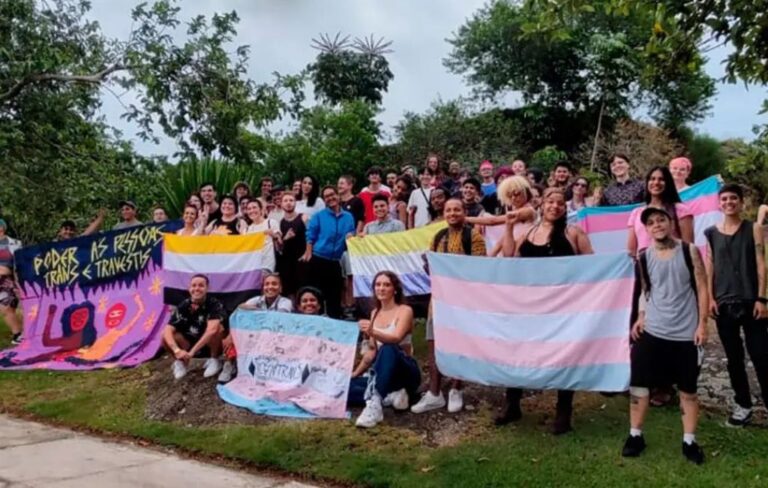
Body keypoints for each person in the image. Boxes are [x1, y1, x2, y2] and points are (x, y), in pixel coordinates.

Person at [497, 187, 593, 434]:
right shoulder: (528, 231)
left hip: (563, 308)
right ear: (542, 205)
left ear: (565, 207)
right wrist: (508, 227)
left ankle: (563, 412)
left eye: (560, 203)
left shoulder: (574, 233)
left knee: (564, 356)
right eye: (550, 202)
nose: (555, 206)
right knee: (518, 351)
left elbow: (594, 266)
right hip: (528, 306)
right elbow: (509, 256)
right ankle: (512, 404)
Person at [622, 206, 708, 464]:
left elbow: (703, 288)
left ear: (670, 223)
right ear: (646, 229)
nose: (657, 225)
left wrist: (702, 325)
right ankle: (635, 435)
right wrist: (640, 316)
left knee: (688, 391)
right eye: (651, 222)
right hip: (653, 331)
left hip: (685, 333)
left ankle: (689, 441)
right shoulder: (645, 256)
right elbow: (645, 291)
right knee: (639, 385)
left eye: (661, 220)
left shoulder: (688, 250)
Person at [411, 198, 486, 415]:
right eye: (448, 210)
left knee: (460, 345)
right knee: (435, 344)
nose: (452, 213)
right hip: (439, 302)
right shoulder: (438, 237)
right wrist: (428, 265)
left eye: (457, 209)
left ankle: (456, 389)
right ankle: (434, 393)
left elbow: (481, 269)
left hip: (464, 302)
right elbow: (433, 273)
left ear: (464, 212)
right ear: (443, 213)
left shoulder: (473, 237)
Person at [704, 184, 768, 427]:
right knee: (734, 358)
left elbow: (761, 263)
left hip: (752, 302)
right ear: (719, 204)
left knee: (762, 356)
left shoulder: (753, 229)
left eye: (733, 198)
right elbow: (710, 267)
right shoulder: (710, 233)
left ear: (741, 202)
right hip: (724, 304)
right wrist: (710, 298)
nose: (729, 202)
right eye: (724, 199)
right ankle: (743, 405)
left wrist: (762, 298)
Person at [350, 271, 421, 428]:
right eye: (378, 284)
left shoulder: (405, 310)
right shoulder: (374, 313)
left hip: (405, 370)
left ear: (395, 289)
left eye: (386, 285)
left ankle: (375, 403)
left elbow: (395, 338)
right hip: (383, 374)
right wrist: (355, 373)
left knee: (389, 347)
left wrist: (372, 331)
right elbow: (371, 352)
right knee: (346, 387)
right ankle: (389, 396)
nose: (381, 288)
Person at [219, 273, 295, 383]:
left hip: (277, 337)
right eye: (267, 284)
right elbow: (239, 311)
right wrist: (231, 335)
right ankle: (229, 364)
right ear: (263, 288)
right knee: (237, 333)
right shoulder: (257, 300)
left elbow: (277, 318)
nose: (270, 287)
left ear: (280, 288)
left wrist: (255, 311)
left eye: (274, 284)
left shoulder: (285, 302)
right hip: (257, 336)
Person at [301, 186, 356, 319]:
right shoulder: (319, 216)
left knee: (334, 296)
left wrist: (351, 236)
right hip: (318, 260)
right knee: (316, 295)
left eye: (332, 195)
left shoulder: (348, 217)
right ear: (324, 200)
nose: (330, 198)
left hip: (335, 261)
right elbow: (310, 235)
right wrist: (308, 252)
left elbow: (351, 233)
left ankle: (334, 324)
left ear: (338, 196)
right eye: (326, 197)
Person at [162, 274, 226, 380]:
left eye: (201, 285)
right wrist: (177, 350)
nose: (197, 288)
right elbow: (168, 329)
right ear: (189, 288)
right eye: (194, 285)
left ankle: (214, 360)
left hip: (210, 346)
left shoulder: (214, 304)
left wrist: (192, 352)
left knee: (217, 329)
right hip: (189, 344)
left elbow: (212, 331)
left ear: (207, 288)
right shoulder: (184, 305)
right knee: (165, 335)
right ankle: (181, 362)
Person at [627, 167, 693, 257]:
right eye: (652, 179)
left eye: (661, 179)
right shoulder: (636, 213)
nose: (656, 183)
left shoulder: (680, 210)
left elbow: (688, 246)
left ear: (668, 183)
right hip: (646, 267)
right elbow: (631, 250)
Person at [339, 175, 366, 317]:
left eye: (342, 183)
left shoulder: (356, 201)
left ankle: (352, 304)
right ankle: (342, 305)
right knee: (340, 276)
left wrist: (355, 237)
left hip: (351, 244)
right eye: (339, 183)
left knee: (351, 276)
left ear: (350, 185)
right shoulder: (336, 203)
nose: (340, 186)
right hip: (337, 245)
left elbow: (361, 220)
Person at [276, 193, 307, 298]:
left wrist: (308, 252)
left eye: (291, 200)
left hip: (302, 259)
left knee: (303, 289)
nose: (288, 203)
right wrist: (285, 238)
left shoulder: (303, 217)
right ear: (281, 204)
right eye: (285, 201)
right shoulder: (280, 223)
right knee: (289, 291)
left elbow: (312, 236)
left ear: (295, 203)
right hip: (286, 262)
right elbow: (279, 247)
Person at [0, 219, 23, 344]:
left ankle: (18, 335)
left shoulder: (14, 243)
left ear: (1, 228)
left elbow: (20, 264)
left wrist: (18, 284)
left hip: (5, 280)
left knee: (7, 307)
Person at [244, 200, 280, 272]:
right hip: (252, 267)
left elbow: (280, 244)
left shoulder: (271, 222)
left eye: (254, 207)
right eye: (249, 209)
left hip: (267, 265)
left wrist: (272, 235)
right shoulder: (246, 230)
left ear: (261, 209)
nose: (252, 210)